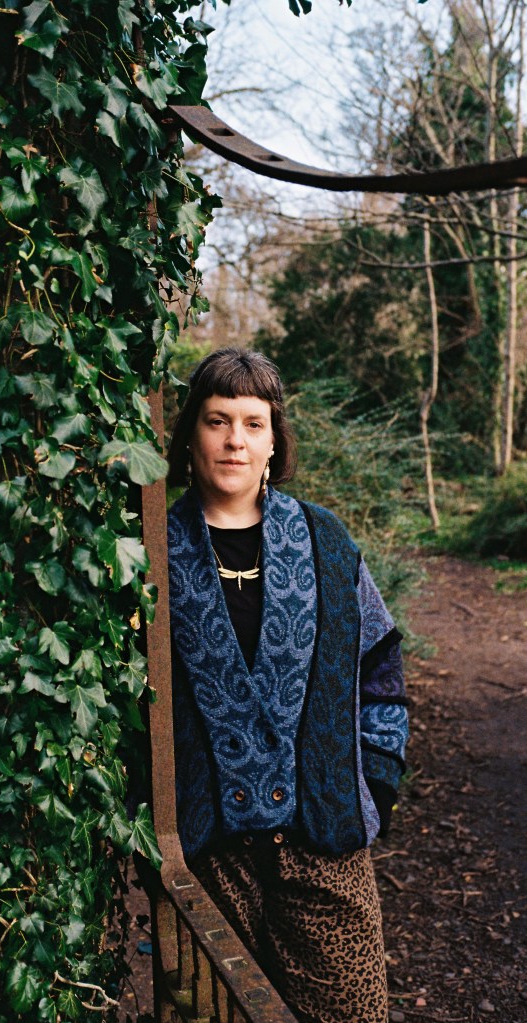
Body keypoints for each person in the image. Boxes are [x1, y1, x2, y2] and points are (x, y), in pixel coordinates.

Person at [165, 347, 408, 1023]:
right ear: (190, 432)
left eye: (251, 422)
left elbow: (380, 660)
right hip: (207, 855)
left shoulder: (324, 540)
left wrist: (376, 783)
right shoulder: (153, 548)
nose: (233, 440)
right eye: (216, 420)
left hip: (323, 843)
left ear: (274, 439)